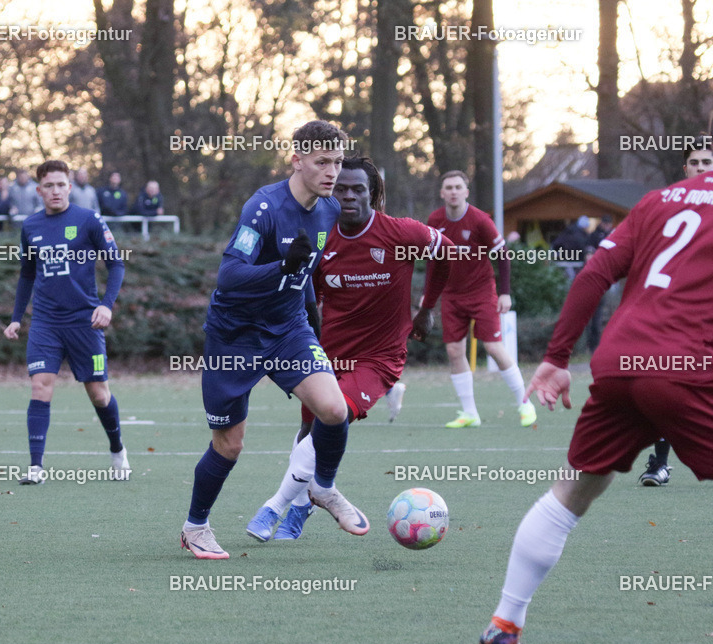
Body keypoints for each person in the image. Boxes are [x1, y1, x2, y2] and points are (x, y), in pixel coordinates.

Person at [478, 163, 713, 644]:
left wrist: (557, 357)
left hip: (619, 360)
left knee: (578, 485)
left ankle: (505, 622)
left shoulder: (658, 201)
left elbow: (594, 274)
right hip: (685, 367)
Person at [180, 120, 363, 561]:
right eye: (322, 162)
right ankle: (195, 527)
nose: (332, 172)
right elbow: (229, 275)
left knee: (335, 409)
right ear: (296, 160)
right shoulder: (262, 207)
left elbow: (307, 275)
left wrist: (312, 321)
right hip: (235, 336)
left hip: (287, 329)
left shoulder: (330, 210)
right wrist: (282, 266)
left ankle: (321, 487)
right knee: (230, 444)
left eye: (337, 162)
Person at [246, 156, 453, 541]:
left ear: (372, 194)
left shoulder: (401, 233)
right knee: (310, 427)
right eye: (341, 188)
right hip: (326, 353)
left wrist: (426, 308)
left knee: (333, 417)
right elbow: (307, 291)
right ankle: (303, 507)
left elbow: (447, 253)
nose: (349, 196)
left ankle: (275, 505)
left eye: (358, 189)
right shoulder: (320, 235)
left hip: (379, 359)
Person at [3, 160, 129, 484]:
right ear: (39, 191)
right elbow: (27, 274)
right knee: (40, 386)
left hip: (85, 322)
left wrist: (107, 306)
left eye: (61, 185)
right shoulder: (30, 226)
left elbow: (116, 265)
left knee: (99, 394)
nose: (55, 191)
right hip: (46, 322)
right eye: (49, 186)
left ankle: (117, 450)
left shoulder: (89, 220)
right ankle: (35, 467)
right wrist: (17, 318)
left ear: (70, 188)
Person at [426, 170, 536, 429]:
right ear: (442, 193)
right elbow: (432, 261)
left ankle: (525, 402)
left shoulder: (480, 220)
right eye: (448, 187)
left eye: (458, 187)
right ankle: (470, 413)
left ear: (466, 191)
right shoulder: (435, 220)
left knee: (493, 347)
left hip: (481, 291)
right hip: (451, 295)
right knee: (454, 350)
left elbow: (503, 255)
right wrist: (427, 297)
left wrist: (505, 293)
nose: (453, 191)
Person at [635, 135, 713, 487]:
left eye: (707, 163)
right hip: (679, 313)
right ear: (685, 168)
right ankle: (660, 464)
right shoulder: (669, 205)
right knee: (664, 385)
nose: (701, 168)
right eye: (695, 163)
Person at [585, 214, 613, 352]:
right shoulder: (594, 236)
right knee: (594, 315)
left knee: (600, 315)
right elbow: (589, 254)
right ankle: (592, 345)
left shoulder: (613, 234)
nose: (607, 226)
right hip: (597, 278)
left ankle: (599, 344)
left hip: (609, 277)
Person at [551, 215, 590, 280]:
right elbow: (582, 248)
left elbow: (556, 244)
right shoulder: (581, 235)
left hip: (564, 260)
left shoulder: (567, 231)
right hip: (576, 262)